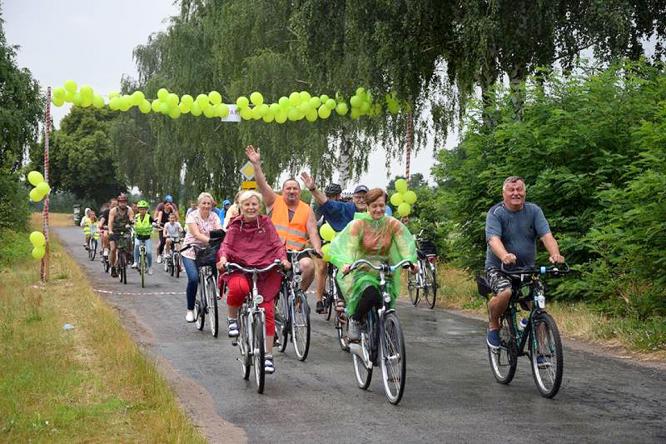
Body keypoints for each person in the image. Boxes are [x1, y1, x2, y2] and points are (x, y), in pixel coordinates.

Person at [484, 176, 565, 349]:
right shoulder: (496, 213)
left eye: (519, 189)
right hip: (499, 268)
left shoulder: (534, 211)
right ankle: (493, 323)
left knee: (538, 305)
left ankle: (541, 351)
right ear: (503, 193)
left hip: (526, 269)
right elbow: (493, 239)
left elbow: (547, 236)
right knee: (505, 292)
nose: (516, 193)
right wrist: (504, 255)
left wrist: (555, 255)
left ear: (525, 192)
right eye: (511, 190)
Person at [216, 190, 290, 374]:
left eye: (254, 204)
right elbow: (226, 246)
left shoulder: (266, 223)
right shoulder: (235, 225)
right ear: (240, 207)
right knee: (239, 287)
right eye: (247, 204)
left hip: (264, 269)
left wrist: (283, 259)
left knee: (268, 311)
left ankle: (268, 356)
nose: (250, 207)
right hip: (240, 267)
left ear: (259, 206)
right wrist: (224, 259)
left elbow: (276, 244)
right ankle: (233, 319)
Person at [329, 188, 418, 341]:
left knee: (386, 303)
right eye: (374, 206)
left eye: (381, 205)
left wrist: (410, 261)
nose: (378, 209)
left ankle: (385, 337)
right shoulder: (358, 224)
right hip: (363, 270)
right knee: (371, 294)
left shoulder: (392, 224)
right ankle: (355, 320)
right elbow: (348, 247)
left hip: (385, 270)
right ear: (368, 207)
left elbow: (404, 244)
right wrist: (346, 263)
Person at [245, 145, 322, 296]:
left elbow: (313, 232)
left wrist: (317, 248)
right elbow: (261, 183)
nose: (292, 191)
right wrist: (256, 164)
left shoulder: (307, 209)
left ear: (300, 192)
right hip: (272, 250)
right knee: (268, 283)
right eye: (288, 188)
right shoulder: (274, 200)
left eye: (295, 188)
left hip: (296, 253)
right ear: (282, 190)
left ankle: (298, 296)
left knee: (308, 266)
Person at [301, 173, 370, 312]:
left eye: (365, 197)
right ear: (353, 198)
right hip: (338, 249)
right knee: (323, 268)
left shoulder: (376, 211)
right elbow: (326, 204)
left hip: (367, 255)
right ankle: (323, 300)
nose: (361, 200)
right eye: (358, 197)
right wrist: (313, 189)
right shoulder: (346, 209)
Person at [181, 192, 223, 322]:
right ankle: (190, 309)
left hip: (207, 250)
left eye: (208, 203)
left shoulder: (214, 216)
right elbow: (197, 234)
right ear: (198, 204)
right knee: (193, 279)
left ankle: (214, 287)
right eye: (203, 203)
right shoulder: (192, 216)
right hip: (191, 251)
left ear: (212, 205)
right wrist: (212, 241)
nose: (206, 206)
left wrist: (221, 239)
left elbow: (219, 230)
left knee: (217, 261)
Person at [108, 193, 134, 278]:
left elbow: (131, 218)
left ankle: (129, 255)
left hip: (125, 230)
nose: (123, 204)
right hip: (114, 231)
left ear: (126, 203)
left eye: (124, 202)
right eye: (121, 202)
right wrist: (110, 230)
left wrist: (132, 222)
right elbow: (110, 222)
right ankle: (112, 266)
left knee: (130, 239)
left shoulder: (129, 210)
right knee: (113, 249)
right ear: (118, 202)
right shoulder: (113, 211)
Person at [132, 200, 155, 274]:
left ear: (146, 209)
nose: (142, 210)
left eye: (144, 209)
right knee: (136, 245)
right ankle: (135, 262)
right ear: (138, 209)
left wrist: (155, 224)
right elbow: (133, 222)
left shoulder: (149, 217)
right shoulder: (136, 216)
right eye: (141, 209)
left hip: (147, 237)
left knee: (148, 252)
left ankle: (150, 267)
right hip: (138, 236)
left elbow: (153, 222)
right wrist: (130, 224)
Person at [155, 197, 178, 263]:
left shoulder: (171, 212)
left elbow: (177, 219)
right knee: (163, 240)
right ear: (164, 205)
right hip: (162, 228)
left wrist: (173, 209)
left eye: (170, 204)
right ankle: (159, 255)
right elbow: (159, 220)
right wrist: (158, 224)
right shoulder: (161, 212)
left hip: (171, 227)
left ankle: (173, 255)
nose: (168, 206)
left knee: (174, 240)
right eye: (167, 205)